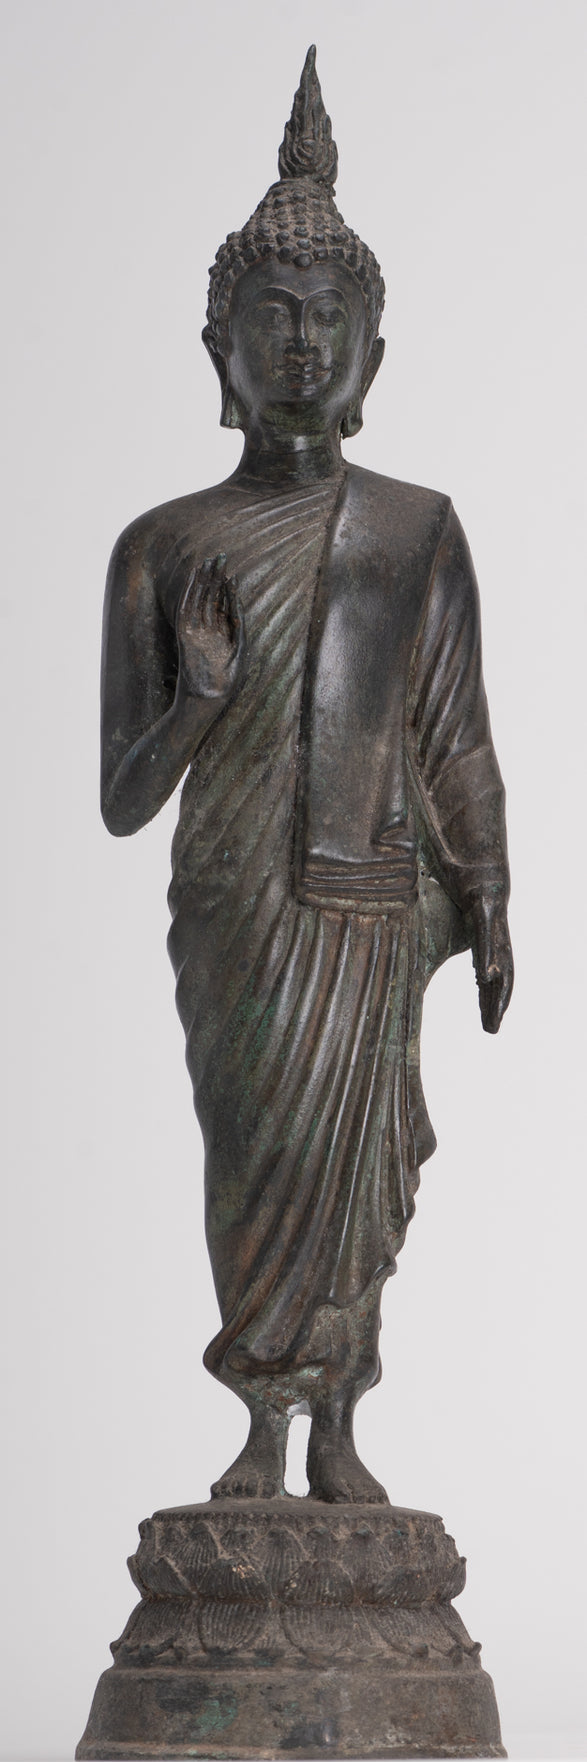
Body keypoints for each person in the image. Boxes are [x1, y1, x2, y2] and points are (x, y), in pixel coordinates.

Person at [100, 49, 513, 1504]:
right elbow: (122, 797)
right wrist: (197, 702)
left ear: (371, 356)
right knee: (254, 1157)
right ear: (216, 346)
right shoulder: (163, 547)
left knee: (357, 1168)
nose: (298, 343)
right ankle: (259, 1435)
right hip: (236, 909)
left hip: (371, 899)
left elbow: (455, 733)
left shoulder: (416, 532)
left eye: (327, 317)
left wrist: (492, 893)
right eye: (271, 314)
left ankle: (337, 1432)